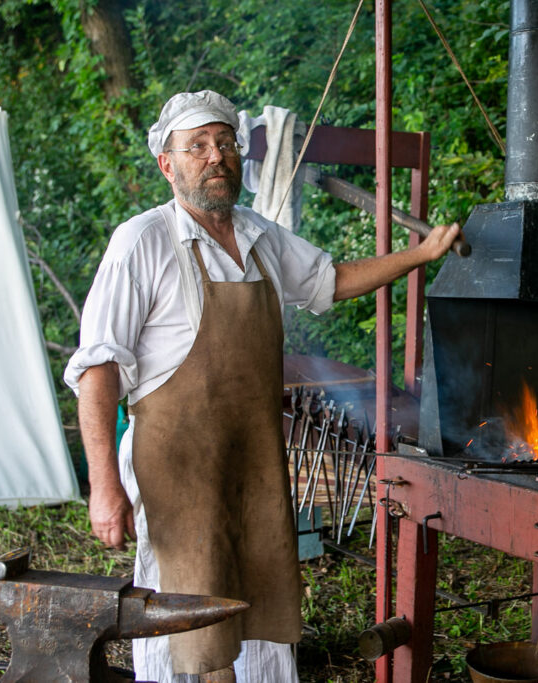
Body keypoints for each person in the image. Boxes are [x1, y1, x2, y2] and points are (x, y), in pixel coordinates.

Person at [64, 90, 460, 683]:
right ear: (167, 164)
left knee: (263, 603)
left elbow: (332, 279)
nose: (215, 156)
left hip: (253, 464)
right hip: (176, 468)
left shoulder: (259, 235)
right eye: (196, 146)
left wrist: (418, 255)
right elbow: (97, 373)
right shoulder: (141, 242)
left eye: (225, 143)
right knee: (182, 613)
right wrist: (103, 486)